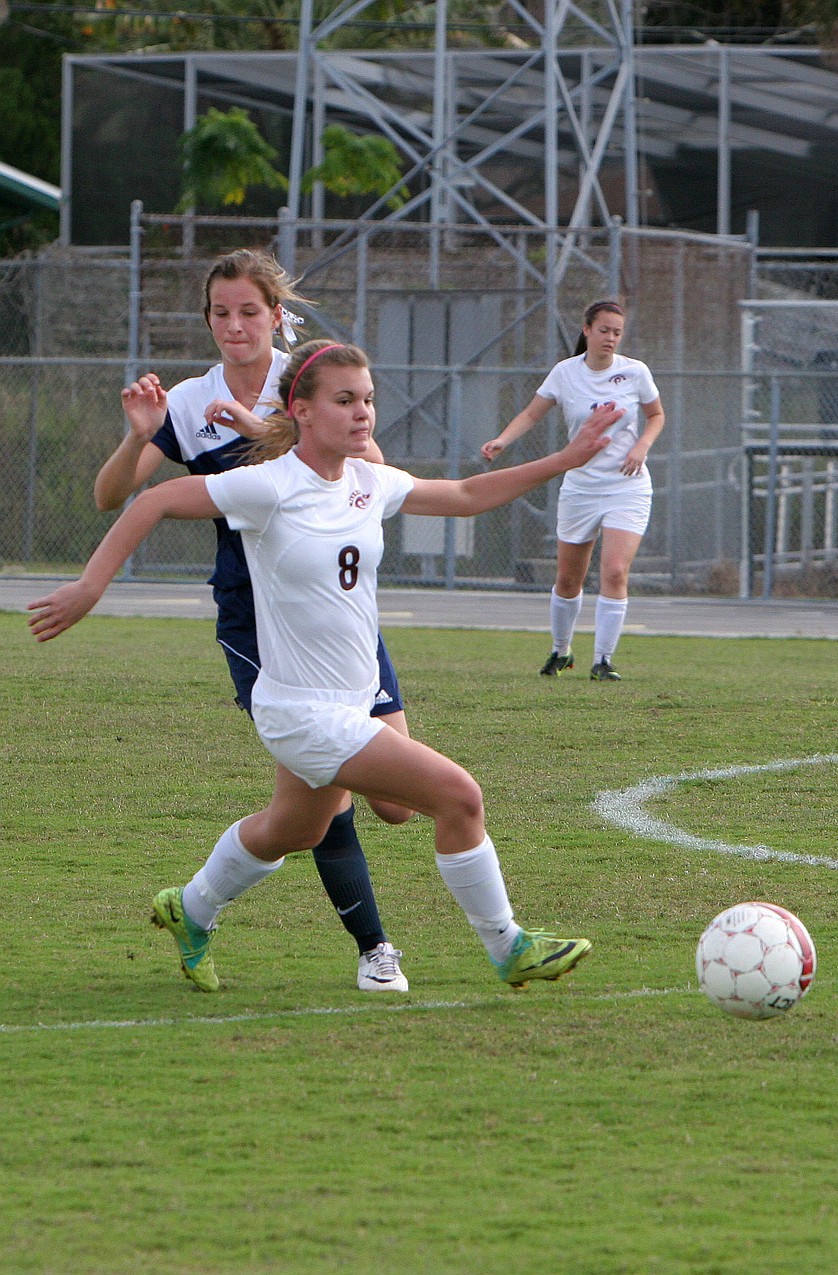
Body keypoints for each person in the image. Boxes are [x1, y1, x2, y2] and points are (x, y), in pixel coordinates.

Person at [29, 340, 621, 995]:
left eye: (367, 398)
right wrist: (88, 587)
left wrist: (567, 459)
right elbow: (152, 502)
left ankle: (190, 910)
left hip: (352, 697)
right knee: (459, 795)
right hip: (301, 710)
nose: (362, 412)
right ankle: (509, 947)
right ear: (302, 411)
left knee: (296, 828)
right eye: (345, 400)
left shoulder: (369, 480)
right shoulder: (270, 485)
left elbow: (468, 493)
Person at [93, 249, 412, 993]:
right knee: (328, 790)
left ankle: (195, 903)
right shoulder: (188, 399)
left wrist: (259, 424)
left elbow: (373, 465)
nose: (234, 326)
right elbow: (113, 496)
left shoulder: (306, 382)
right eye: (220, 313)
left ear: (277, 315)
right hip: (258, 620)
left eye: (249, 311)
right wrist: (139, 434)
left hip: (340, 609)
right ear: (208, 320)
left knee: (394, 803)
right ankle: (375, 950)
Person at [481, 298, 665, 681]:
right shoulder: (565, 373)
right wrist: (502, 440)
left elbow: (656, 415)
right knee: (568, 579)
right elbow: (533, 412)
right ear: (586, 330)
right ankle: (561, 652)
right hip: (581, 487)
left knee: (614, 571)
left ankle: (603, 661)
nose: (610, 338)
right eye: (604, 330)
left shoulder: (635, 372)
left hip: (626, 485)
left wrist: (642, 446)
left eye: (617, 332)